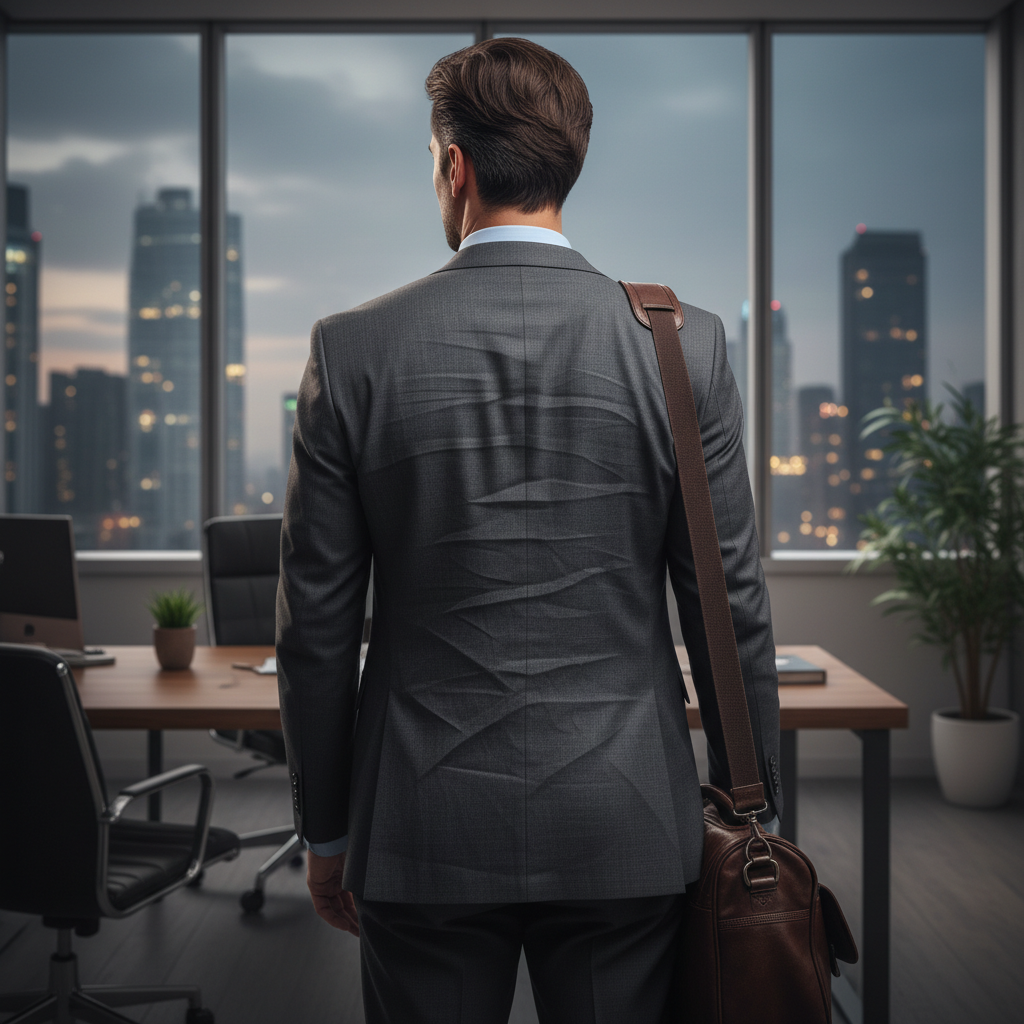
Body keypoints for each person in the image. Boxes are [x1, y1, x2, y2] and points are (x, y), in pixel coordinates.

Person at [276, 36, 781, 1024]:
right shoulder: (677, 345)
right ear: (569, 165)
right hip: (624, 814)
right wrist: (750, 806)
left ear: (453, 167)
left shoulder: (351, 350)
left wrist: (325, 829)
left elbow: (316, 633)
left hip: (420, 819)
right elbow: (729, 603)